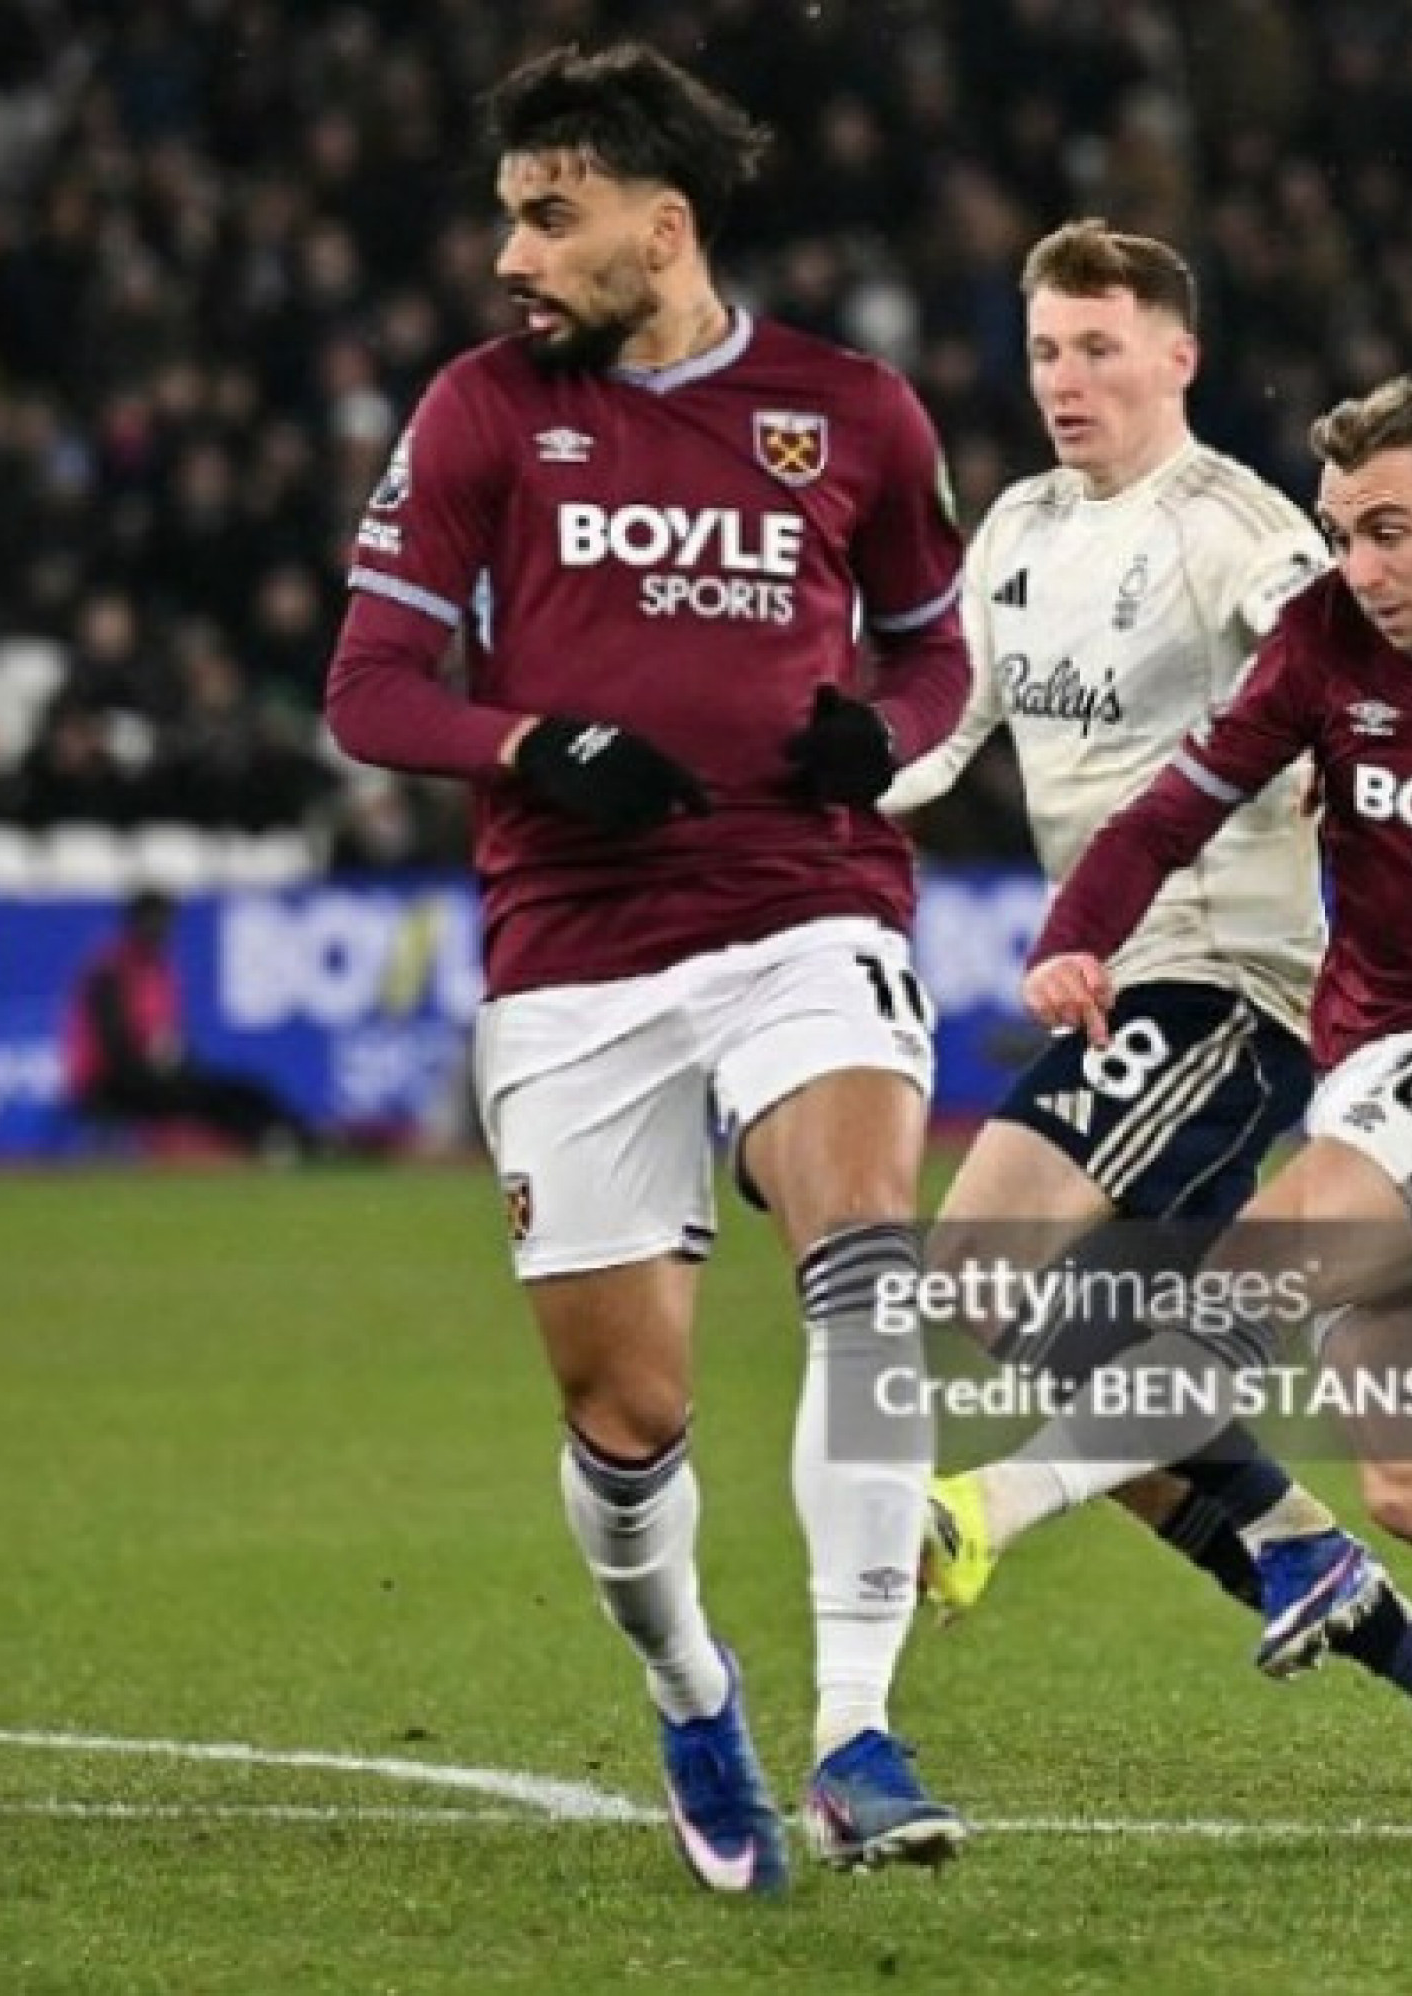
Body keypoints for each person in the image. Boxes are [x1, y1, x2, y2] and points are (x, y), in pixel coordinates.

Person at [325, 42, 973, 1888]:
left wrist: (886, 731)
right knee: (631, 1418)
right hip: (577, 956)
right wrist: (532, 743)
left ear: (659, 223)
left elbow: (933, 650)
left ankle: (858, 1726)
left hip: (808, 906)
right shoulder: (477, 414)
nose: (513, 256)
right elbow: (369, 692)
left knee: (863, 1245)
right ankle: (696, 1687)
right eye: (509, 215)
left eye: (551, 216)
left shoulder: (851, 412)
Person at [884, 221, 1412, 1751]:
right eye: (1042, 349)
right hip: (1313, 1032)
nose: (1066, 380)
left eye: (1099, 346)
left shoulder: (1246, 537)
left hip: (1236, 982)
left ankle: (990, 1508)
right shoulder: (1025, 529)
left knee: (1193, 1282)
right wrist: (786, 797)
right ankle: (1402, 1638)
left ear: (1178, 355)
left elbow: (1225, 790)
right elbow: (964, 745)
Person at [62, 890, 309, 1157]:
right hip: (108, 1083)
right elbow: (115, 1043)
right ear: (134, 922)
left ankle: (293, 1138)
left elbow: (170, 1034)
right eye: (154, 920)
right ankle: (272, 1146)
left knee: (244, 1089)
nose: (162, 929)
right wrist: (159, 1064)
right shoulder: (111, 970)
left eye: (166, 921)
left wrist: (178, 1061)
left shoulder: (159, 969)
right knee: (209, 1097)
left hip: (152, 1077)